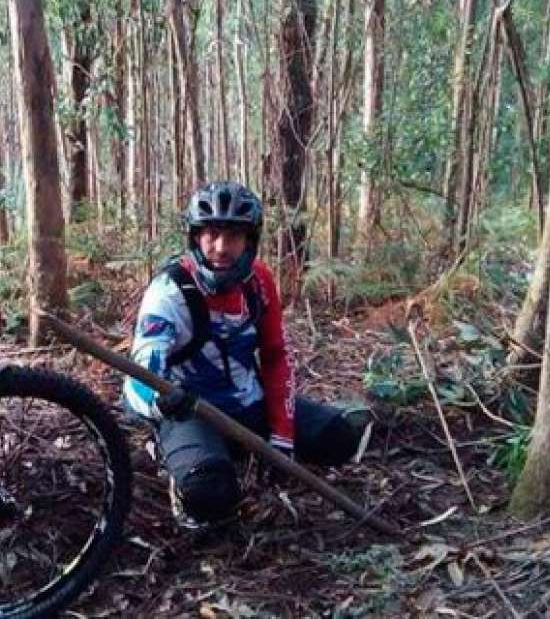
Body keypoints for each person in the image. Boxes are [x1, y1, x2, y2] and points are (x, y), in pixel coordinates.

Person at [123, 182, 371, 528]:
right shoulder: (169, 293)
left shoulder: (259, 282)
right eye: (211, 234)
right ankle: (181, 458)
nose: (221, 248)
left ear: (250, 241)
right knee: (210, 497)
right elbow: (137, 378)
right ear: (195, 237)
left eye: (234, 236)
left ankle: (237, 449)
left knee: (341, 438)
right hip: (192, 412)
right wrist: (161, 403)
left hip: (249, 405)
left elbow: (275, 356)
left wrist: (282, 435)